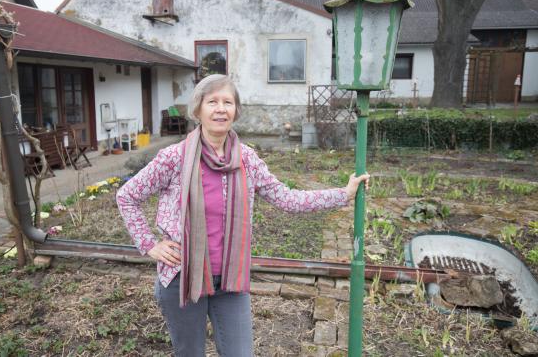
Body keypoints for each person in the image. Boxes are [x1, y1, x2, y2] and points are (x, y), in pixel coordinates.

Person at [116, 74, 369, 356]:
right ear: (198, 109)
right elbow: (127, 196)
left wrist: (343, 194)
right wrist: (150, 244)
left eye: (228, 102)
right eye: (212, 101)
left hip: (229, 281)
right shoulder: (174, 157)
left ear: (236, 110)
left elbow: (287, 198)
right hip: (182, 278)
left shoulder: (246, 159)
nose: (220, 108)